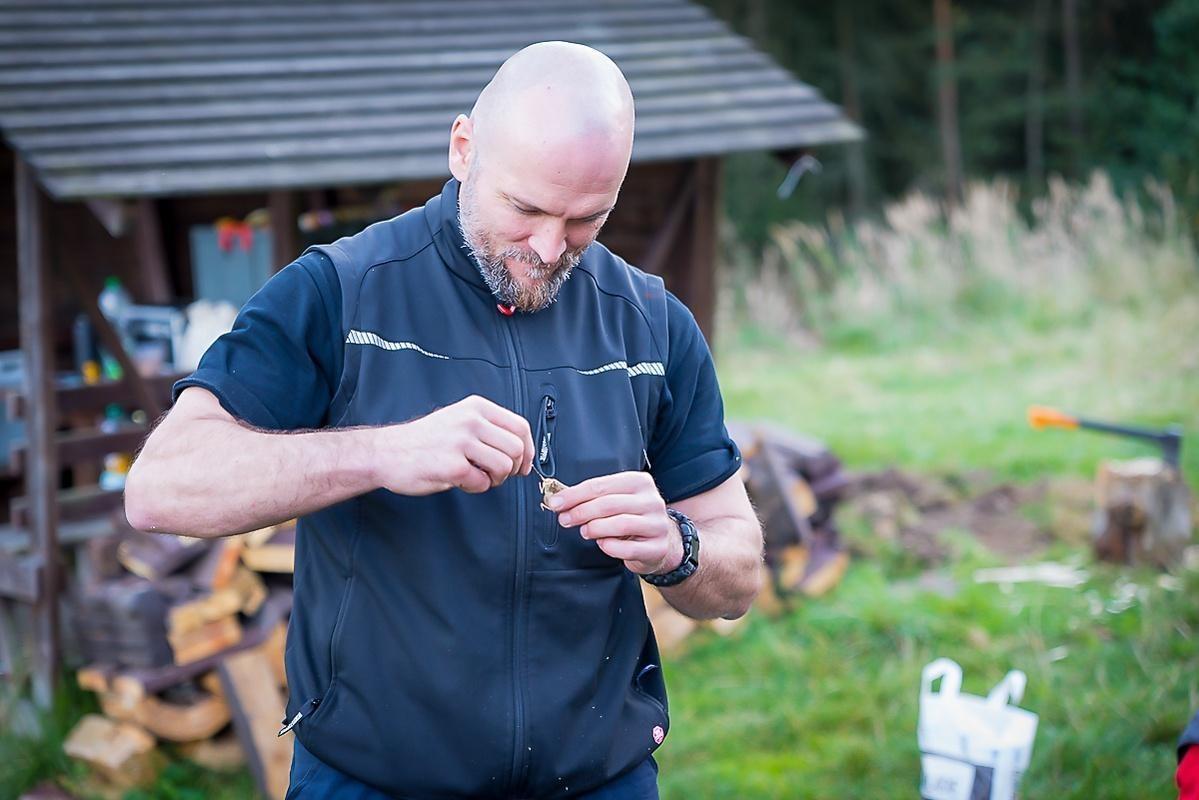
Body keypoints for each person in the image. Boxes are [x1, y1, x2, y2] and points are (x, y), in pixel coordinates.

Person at [125, 41, 763, 799]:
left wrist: (679, 547)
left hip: (599, 778)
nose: (548, 248)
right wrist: (381, 454)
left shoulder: (652, 323)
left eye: (586, 219)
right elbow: (161, 489)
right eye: (525, 209)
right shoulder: (340, 291)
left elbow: (738, 574)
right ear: (463, 148)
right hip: (372, 779)